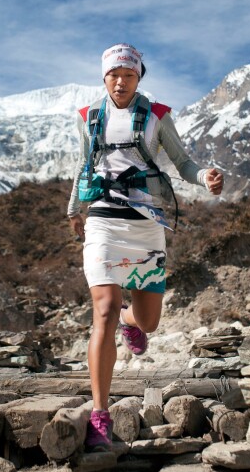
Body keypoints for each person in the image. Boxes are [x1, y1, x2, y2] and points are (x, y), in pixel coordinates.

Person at [67, 43, 223, 450]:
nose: (121, 81)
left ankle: (130, 321)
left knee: (149, 321)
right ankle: (100, 413)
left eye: (129, 75)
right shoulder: (88, 118)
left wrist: (204, 176)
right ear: (104, 77)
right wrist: (74, 210)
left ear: (140, 77)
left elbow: (182, 162)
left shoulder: (157, 116)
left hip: (146, 225)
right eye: (113, 74)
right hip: (102, 221)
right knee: (101, 309)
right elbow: (85, 165)